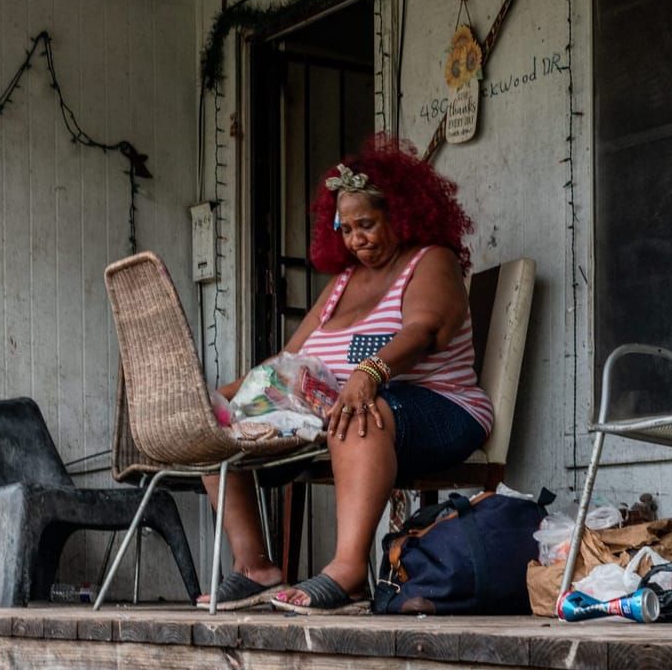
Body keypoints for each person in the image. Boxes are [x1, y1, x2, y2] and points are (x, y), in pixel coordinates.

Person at [200, 135, 492, 614]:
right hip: (344, 409)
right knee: (214, 422)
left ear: (400, 214)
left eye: (367, 224)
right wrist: (220, 397)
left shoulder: (430, 260)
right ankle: (254, 567)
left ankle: (350, 570)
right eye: (347, 228)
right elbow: (285, 363)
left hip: (440, 405)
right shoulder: (341, 285)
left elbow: (426, 330)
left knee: (360, 411)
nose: (356, 239)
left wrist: (369, 372)